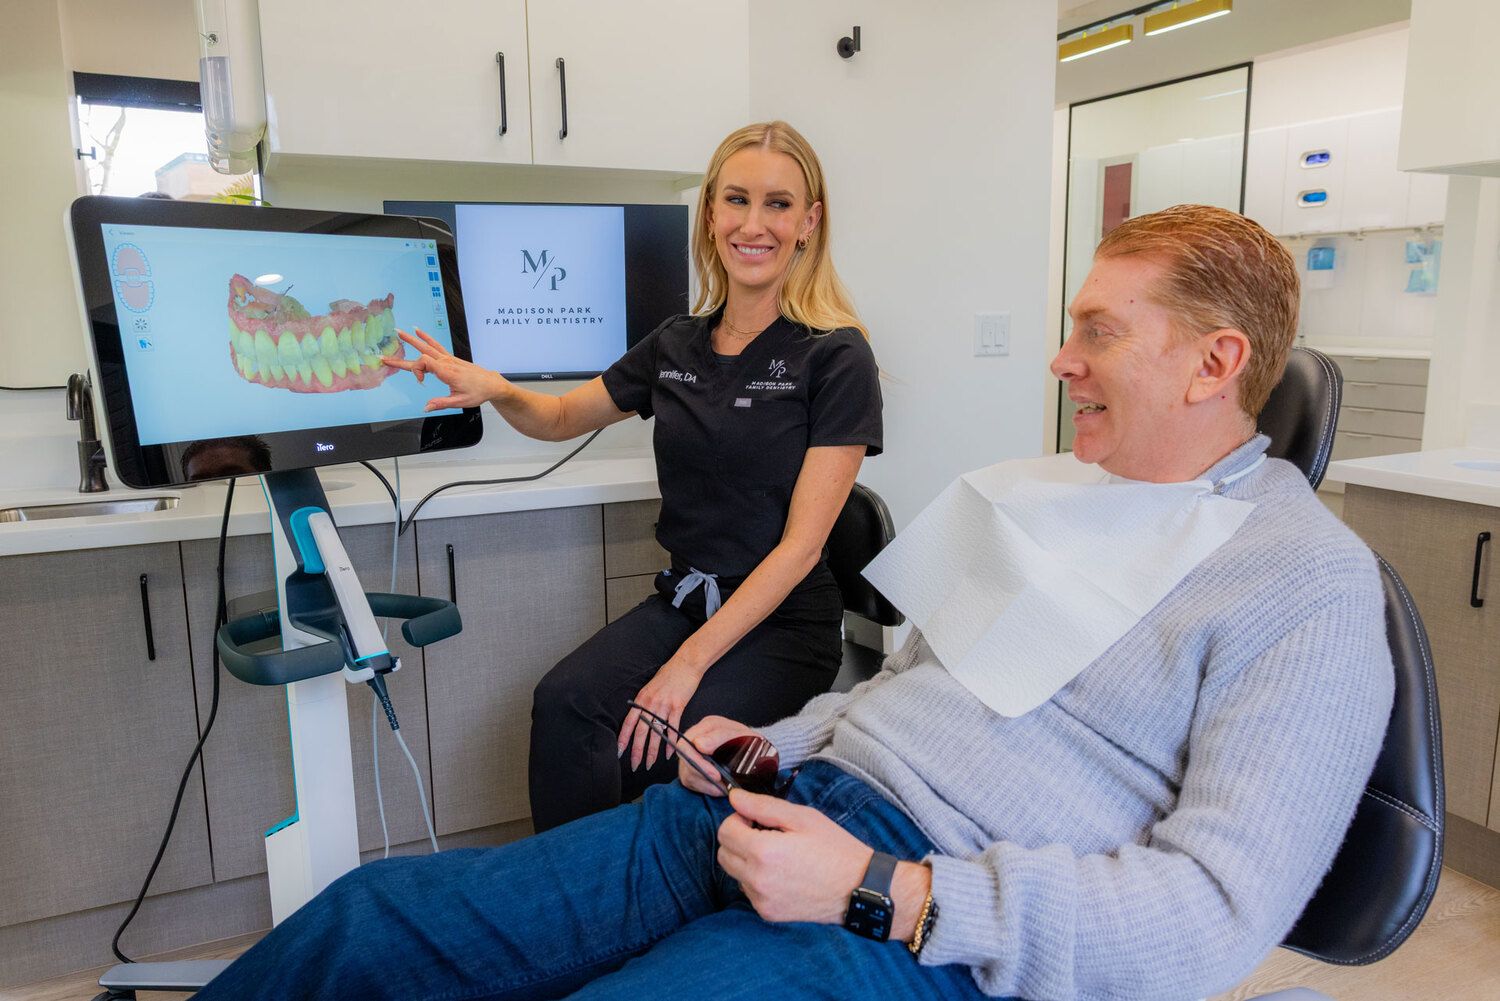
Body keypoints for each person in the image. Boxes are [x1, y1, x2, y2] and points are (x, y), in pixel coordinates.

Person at [194, 205, 1393, 1001]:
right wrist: (778, 736)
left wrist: (887, 890)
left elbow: (1220, 914)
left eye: (1096, 331)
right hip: (770, 803)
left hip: (926, 908)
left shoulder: (1308, 588)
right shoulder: (1052, 496)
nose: (1061, 358)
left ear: (1215, 363)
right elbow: (907, 689)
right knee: (375, 921)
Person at [384, 121, 882, 831]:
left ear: (809, 222)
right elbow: (558, 416)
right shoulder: (676, 342)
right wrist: (496, 387)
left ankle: (636, 906)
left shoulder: (836, 358)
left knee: (661, 748)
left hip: (783, 624)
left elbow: (801, 550)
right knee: (564, 701)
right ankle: (565, 901)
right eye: (736, 199)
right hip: (686, 598)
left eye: (778, 204)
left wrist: (683, 667)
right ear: (710, 214)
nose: (754, 223)